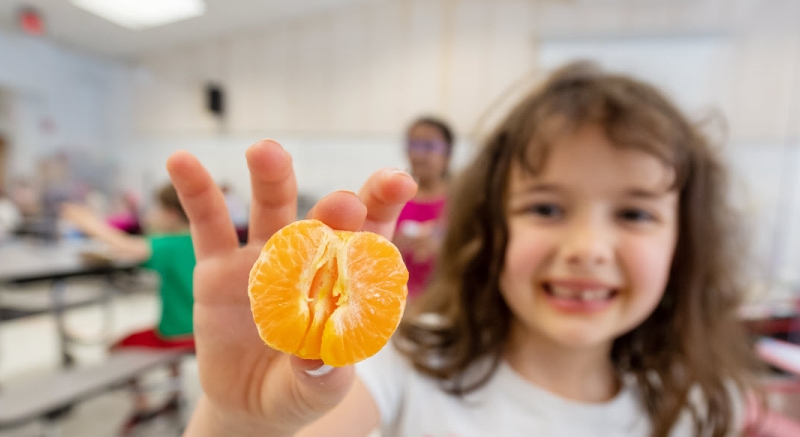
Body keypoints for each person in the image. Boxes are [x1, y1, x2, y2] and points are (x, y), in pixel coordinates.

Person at [168, 63, 767, 437]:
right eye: (547, 208)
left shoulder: (695, 408)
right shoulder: (401, 368)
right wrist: (238, 424)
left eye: (635, 213)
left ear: (683, 242)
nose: (587, 248)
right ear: (490, 227)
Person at [60, 183, 195, 432]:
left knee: (118, 347)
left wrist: (88, 223)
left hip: (178, 336)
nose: (152, 214)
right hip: (202, 334)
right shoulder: (197, 241)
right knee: (157, 336)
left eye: (158, 209)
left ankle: (143, 405)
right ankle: (175, 396)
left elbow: (127, 246)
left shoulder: (170, 243)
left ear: (172, 214)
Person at [394, 116, 454, 298]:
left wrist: (444, 248)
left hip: (445, 301)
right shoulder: (395, 199)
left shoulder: (459, 201)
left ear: (448, 154)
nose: (419, 155)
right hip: (400, 302)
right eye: (414, 144)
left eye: (428, 146)